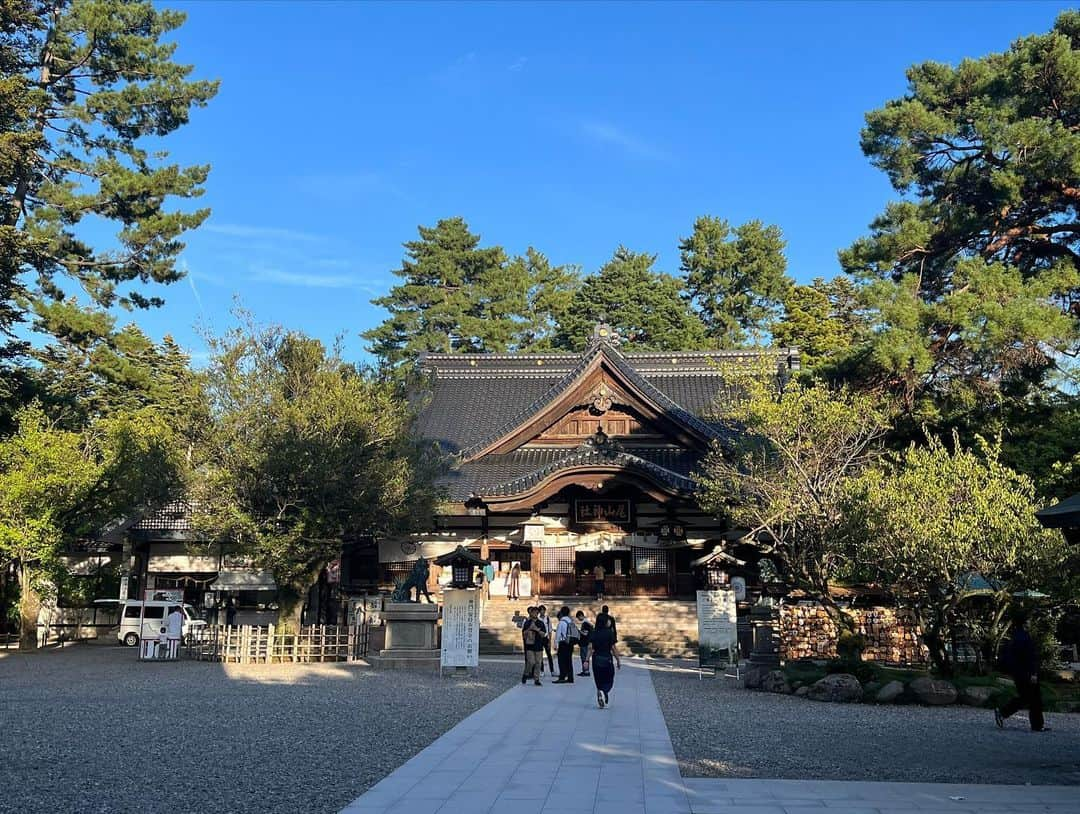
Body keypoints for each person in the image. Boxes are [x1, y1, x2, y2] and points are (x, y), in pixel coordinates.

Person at [995, 611, 1049, 732]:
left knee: (1026, 697)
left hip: (1018, 672)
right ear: (1024, 623)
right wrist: (1033, 673)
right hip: (1026, 673)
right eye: (1028, 620)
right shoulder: (1024, 637)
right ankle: (1036, 725)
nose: (1030, 622)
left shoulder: (1015, 637)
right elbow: (1029, 657)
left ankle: (1004, 713)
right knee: (1033, 698)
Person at [590, 615, 621, 708]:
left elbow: (590, 648)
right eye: (608, 620)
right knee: (609, 678)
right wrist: (618, 659)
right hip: (606, 658)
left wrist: (586, 660)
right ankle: (604, 691)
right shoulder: (609, 633)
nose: (609, 622)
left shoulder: (594, 632)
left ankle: (600, 691)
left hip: (596, 659)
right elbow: (613, 647)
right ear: (605, 622)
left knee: (598, 678)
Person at [520, 606, 545, 686]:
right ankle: (526, 674)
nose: (535, 614)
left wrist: (536, 629)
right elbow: (523, 634)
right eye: (533, 612)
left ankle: (536, 679)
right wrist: (529, 629)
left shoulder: (541, 623)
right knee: (531, 662)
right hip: (529, 645)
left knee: (538, 662)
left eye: (536, 612)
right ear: (531, 613)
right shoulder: (527, 622)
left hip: (538, 645)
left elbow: (543, 634)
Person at [553, 606, 577, 683]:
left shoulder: (562, 622)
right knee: (569, 661)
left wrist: (555, 644)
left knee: (562, 661)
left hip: (563, 643)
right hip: (570, 643)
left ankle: (562, 676)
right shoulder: (571, 621)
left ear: (562, 613)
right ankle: (570, 677)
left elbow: (558, 634)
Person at [576, 610, 593, 677]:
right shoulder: (588, 623)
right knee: (584, 657)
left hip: (585, 642)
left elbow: (585, 633)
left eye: (578, 617)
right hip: (586, 642)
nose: (578, 619)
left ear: (581, 616)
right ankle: (585, 670)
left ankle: (586, 671)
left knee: (584, 657)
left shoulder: (585, 623)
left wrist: (578, 631)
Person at [538, 605, 554, 675]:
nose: (542, 612)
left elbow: (550, 630)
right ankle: (542, 670)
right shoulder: (538, 619)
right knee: (540, 655)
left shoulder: (547, 619)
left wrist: (550, 641)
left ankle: (552, 670)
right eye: (541, 610)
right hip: (539, 638)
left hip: (546, 638)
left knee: (549, 655)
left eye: (543, 610)